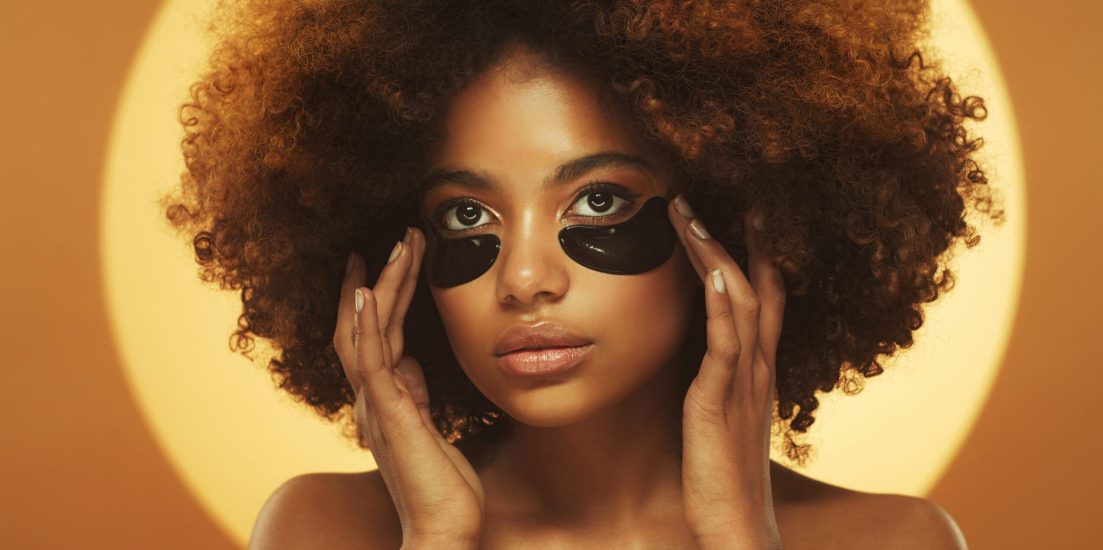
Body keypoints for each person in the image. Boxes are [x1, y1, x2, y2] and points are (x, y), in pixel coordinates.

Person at [161, 0, 1002, 547]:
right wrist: (438, 537)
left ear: (730, 220)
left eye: (597, 202)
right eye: (466, 215)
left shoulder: (894, 541)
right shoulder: (326, 530)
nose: (524, 278)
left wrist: (741, 533)